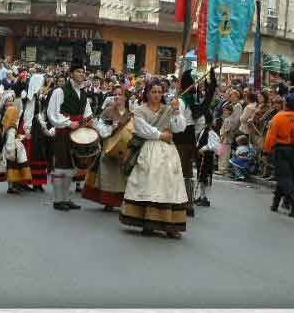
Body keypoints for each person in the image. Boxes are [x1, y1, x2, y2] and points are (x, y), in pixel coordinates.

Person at [119, 80, 188, 239]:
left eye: (159, 92)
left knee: (169, 185)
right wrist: (160, 135)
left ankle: (170, 224)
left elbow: (179, 128)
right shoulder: (139, 110)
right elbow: (142, 129)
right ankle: (147, 221)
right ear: (147, 93)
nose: (156, 95)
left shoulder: (168, 109)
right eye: (153, 91)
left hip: (168, 152)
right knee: (149, 185)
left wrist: (177, 111)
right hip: (149, 150)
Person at [47, 60, 93, 211]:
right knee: (61, 165)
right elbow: (52, 113)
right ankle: (57, 200)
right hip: (64, 131)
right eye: (78, 71)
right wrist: (67, 123)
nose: (81, 74)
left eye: (83, 72)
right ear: (71, 74)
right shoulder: (60, 91)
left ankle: (66, 198)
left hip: (78, 131)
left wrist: (89, 121)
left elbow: (87, 112)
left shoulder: (83, 93)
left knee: (71, 167)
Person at [173, 69, 217, 217]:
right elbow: (201, 116)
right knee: (186, 172)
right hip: (189, 139)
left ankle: (181, 202)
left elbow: (175, 122)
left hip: (179, 138)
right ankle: (188, 203)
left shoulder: (181, 100)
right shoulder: (191, 101)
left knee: (178, 171)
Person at [82, 84, 131, 211]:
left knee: (122, 175)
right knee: (108, 172)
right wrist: (112, 128)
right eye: (115, 94)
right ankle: (108, 201)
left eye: (120, 94)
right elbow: (101, 129)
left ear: (126, 98)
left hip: (124, 148)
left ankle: (120, 200)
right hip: (109, 145)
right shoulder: (108, 111)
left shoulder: (130, 114)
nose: (116, 96)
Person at [263, 94, 294, 217]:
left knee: (284, 177)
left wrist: (266, 151)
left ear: (286, 104)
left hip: (281, 149)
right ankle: (275, 204)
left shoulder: (279, 117)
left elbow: (271, 136)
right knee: (287, 177)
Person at [3, 105, 33, 194]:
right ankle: (11, 187)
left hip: (12, 150)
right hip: (13, 151)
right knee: (12, 168)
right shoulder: (12, 128)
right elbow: (10, 141)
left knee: (11, 168)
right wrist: (11, 152)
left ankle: (11, 186)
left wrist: (22, 137)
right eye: (16, 115)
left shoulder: (8, 126)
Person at [195, 113, 220, 207]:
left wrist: (204, 148)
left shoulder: (211, 131)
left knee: (204, 176)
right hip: (201, 156)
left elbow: (215, 145)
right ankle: (201, 196)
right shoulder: (204, 129)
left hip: (206, 157)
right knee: (200, 176)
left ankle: (204, 197)